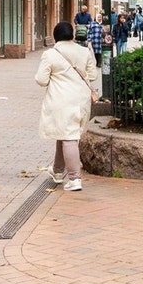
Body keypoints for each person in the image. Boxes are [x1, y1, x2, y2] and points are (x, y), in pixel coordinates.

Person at [34, 21, 100, 191]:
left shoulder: (51, 54)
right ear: (72, 35)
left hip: (61, 101)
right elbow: (92, 74)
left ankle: (74, 178)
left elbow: (41, 80)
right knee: (64, 134)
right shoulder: (84, 51)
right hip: (81, 100)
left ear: (55, 35)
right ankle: (56, 172)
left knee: (69, 137)